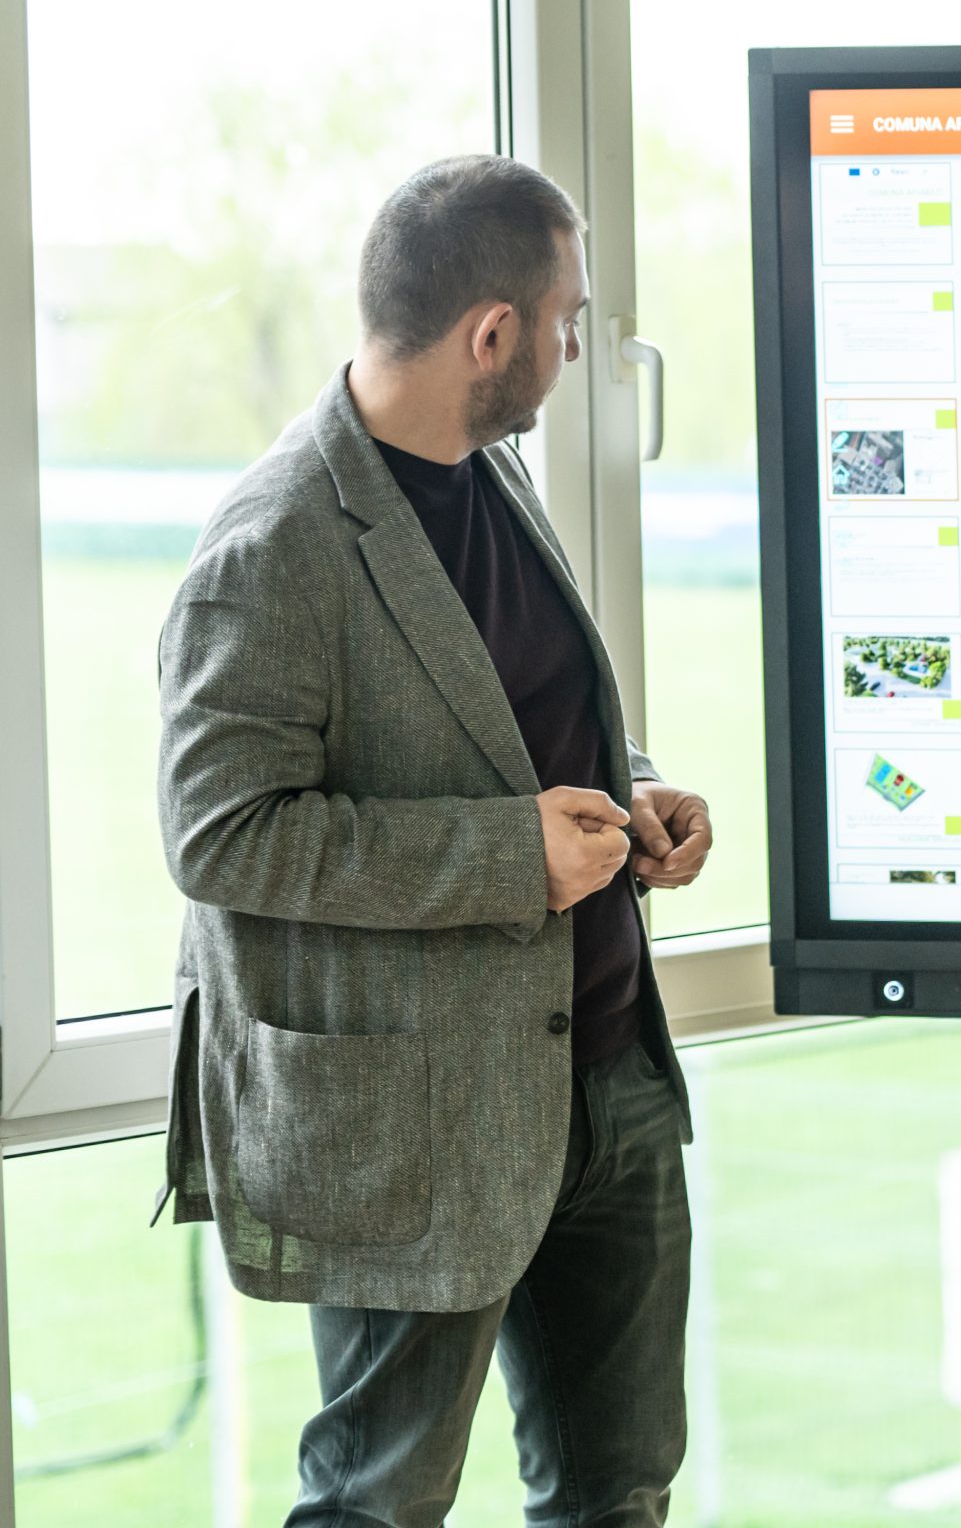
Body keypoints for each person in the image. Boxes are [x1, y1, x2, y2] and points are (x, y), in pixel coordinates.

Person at [156, 154, 714, 1525]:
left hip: (606, 1086)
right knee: (378, 1504)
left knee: (619, 1493)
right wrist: (513, 856)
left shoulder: (491, 473)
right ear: (492, 332)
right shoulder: (271, 548)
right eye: (568, 321)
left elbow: (509, 726)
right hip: (418, 1127)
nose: (577, 349)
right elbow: (223, 836)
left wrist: (632, 795)